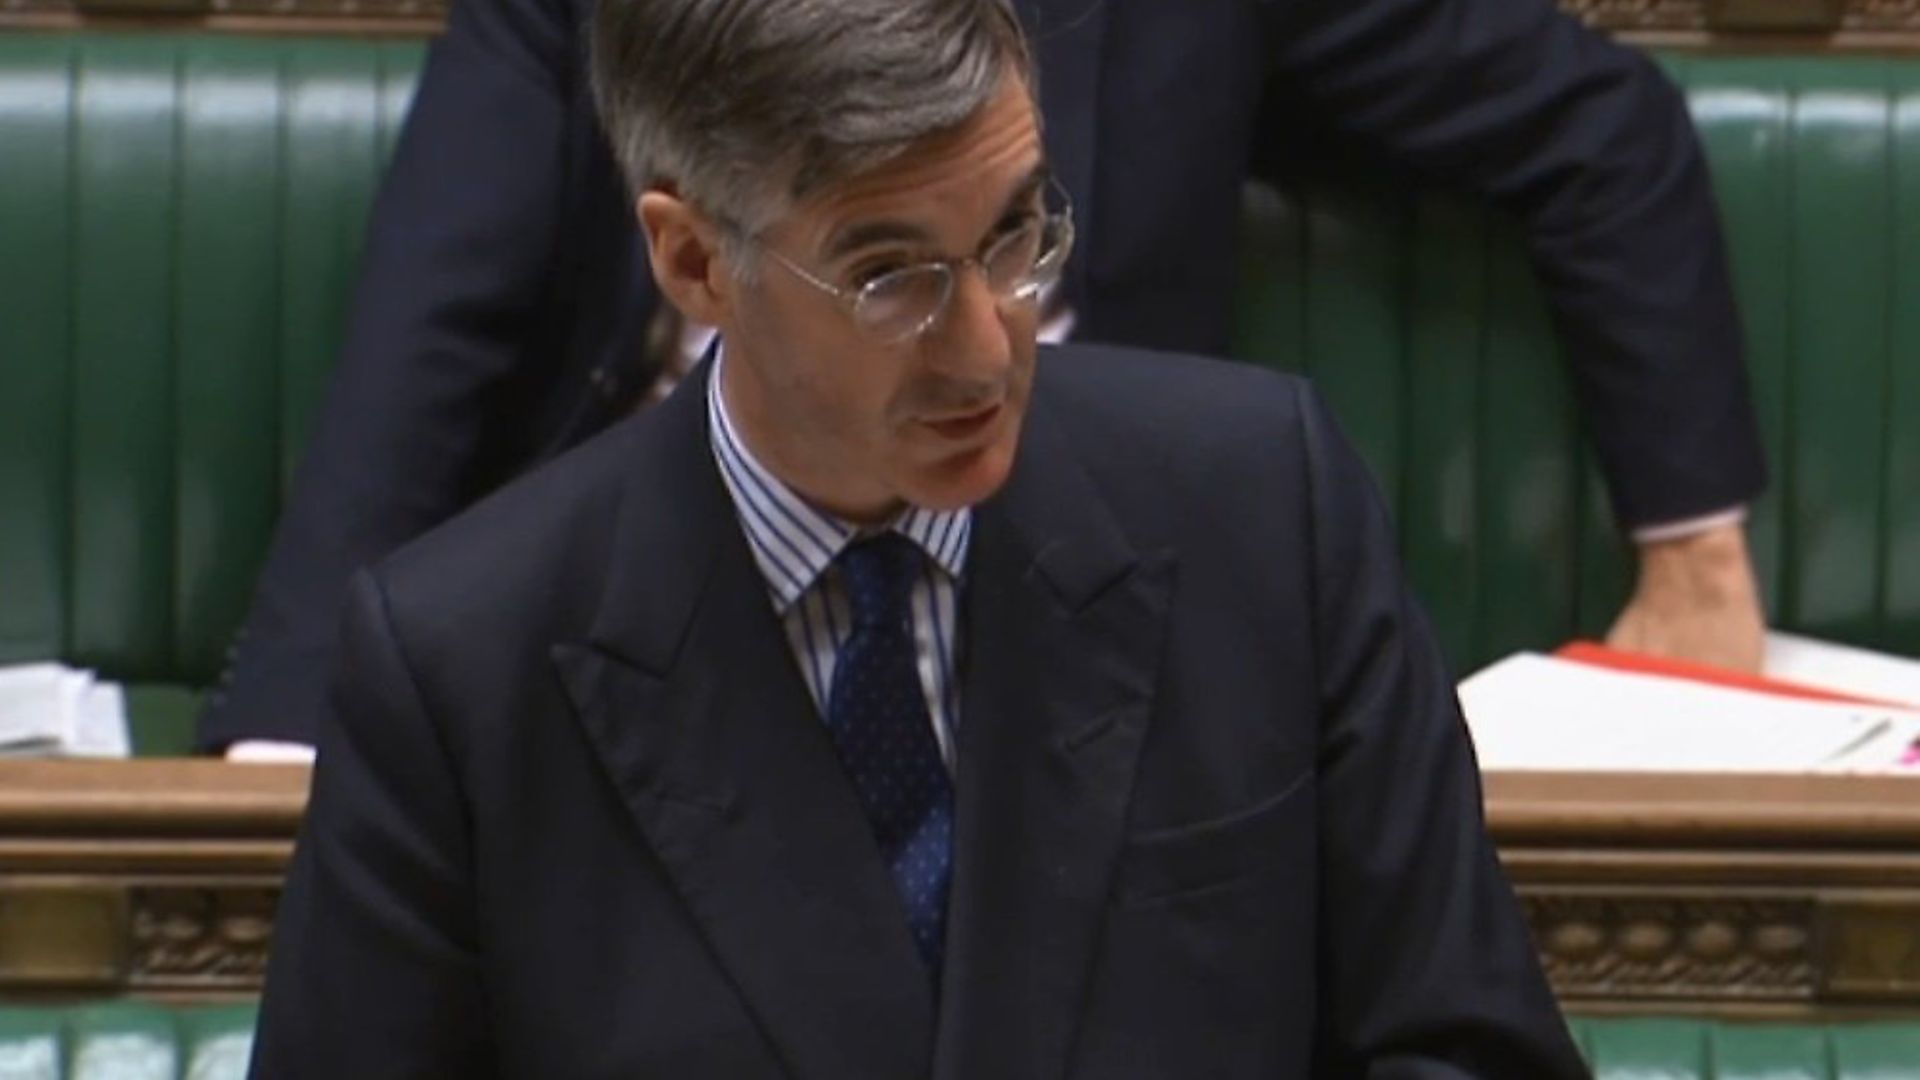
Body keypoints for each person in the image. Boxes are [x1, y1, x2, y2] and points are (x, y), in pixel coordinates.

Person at [249, 2, 1587, 1073]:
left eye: (1016, 235)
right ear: (695, 263)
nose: (987, 345)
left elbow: (1465, 1044)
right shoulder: (460, 668)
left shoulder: (1266, 509)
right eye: (893, 277)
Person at [199, 0, 1771, 755]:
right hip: (668, 575)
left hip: (1067, 583)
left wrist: (1696, 567)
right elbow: (432, 336)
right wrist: (289, 748)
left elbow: (1598, 132)